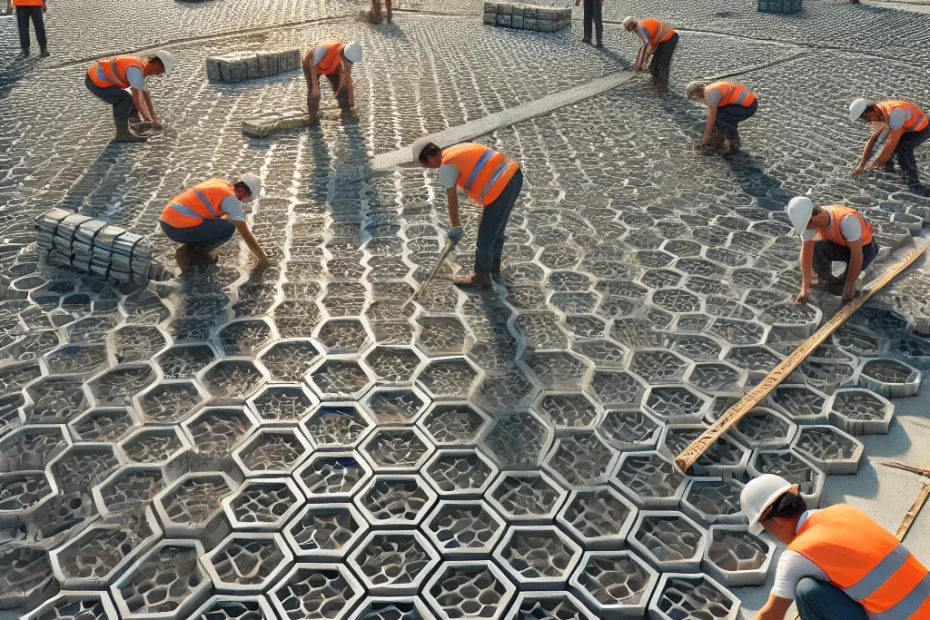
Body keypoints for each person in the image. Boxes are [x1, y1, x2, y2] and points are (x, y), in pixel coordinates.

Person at [740, 474, 929, 620]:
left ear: (777, 522)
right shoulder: (844, 511)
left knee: (807, 591)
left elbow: (770, 615)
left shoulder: (799, 553)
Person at [413, 140, 523, 288]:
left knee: (485, 238)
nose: (429, 168)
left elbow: (452, 201)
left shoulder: (446, 167)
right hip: (515, 176)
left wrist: (456, 227)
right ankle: (493, 267)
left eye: (426, 165)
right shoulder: (457, 148)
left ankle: (482, 276)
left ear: (429, 157)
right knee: (497, 230)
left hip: (500, 189)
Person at [159, 174, 269, 272]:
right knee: (228, 227)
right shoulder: (231, 200)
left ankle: (193, 249)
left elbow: (217, 213)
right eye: (247, 198)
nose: (244, 202)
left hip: (167, 220)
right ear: (241, 191)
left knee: (222, 222)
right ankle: (192, 253)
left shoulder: (220, 184)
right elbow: (246, 235)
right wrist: (263, 259)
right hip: (177, 228)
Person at [787, 197, 878, 304]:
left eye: (808, 225)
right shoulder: (811, 223)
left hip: (865, 249)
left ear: (815, 214)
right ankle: (832, 279)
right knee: (815, 245)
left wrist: (850, 283)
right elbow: (806, 252)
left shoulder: (846, 221)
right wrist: (805, 286)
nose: (809, 229)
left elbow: (857, 254)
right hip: (841, 244)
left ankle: (847, 279)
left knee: (850, 278)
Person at [85, 51, 174, 143]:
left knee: (128, 99)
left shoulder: (142, 69)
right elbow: (137, 100)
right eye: (162, 70)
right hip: (95, 80)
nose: (160, 74)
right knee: (124, 99)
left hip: (99, 77)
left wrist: (154, 119)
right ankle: (122, 134)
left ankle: (135, 124)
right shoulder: (136, 71)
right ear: (156, 64)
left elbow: (147, 97)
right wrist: (147, 119)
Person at [849, 98, 930, 195]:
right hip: (904, 126)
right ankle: (890, 172)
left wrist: (872, 166)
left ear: (872, 109)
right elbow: (872, 141)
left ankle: (916, 186)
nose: (866, 121)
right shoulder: (878, 113)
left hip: (922, 128)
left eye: (865, 118)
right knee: (882, 145)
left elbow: (889, 146)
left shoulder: (895, 114)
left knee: (902, 148)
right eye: (863, 119)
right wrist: (861, 166)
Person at [687, 80, 758, 154]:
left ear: (696, 94)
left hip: (748, 107)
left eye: (695, 99)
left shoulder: (710, 94)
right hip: (748, 102)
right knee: (715, 115)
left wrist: (703, 141)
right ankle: (719, 135)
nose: (698, 101)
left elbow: (711, 120)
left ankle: (734, 142)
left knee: (720, 119)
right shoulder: (711, 88)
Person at [302, 41, 362, 126]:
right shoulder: (325, 48)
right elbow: (313, 63)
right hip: (311, 65)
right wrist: (315, 85)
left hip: (330, 68)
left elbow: (348, 82)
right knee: (314, 91)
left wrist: (352, 103)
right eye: (349, 62)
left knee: (342, 88)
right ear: (344, 56)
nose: (350, 65)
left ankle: (346, 112)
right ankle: (313, 118)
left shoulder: (345, 59)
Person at [623, 16, 678, 93]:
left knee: (663, 64)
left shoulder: (641, 28)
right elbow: (648, 48)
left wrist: (643, 63)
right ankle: (655, 82)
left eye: (631, 29)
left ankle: (662, 88)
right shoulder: (641, 27)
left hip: (670, 38)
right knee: (654, 65)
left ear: (632, 25)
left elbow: (647, 49)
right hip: (661, 41)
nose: (633, 31)